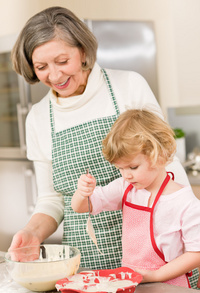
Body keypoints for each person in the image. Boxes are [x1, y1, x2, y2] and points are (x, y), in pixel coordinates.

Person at [9, 6, 190, 272]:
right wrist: (33, 232)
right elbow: (52, 198)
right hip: (86, 262)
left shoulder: (128, 86)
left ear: (82, 51)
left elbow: (167, 163)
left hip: (156, 251)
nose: (55, 76)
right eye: (41, 67)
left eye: (62, 61)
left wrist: (188, 222)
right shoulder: (38, 118)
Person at [71, 109, 200, 288]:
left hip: (171, 289)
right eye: (120, 169)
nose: (126, 176)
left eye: (133, 167)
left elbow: (196, 254)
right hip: (132, 286)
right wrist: (82, 193)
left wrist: (154, 275)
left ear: (160, 156)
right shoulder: (125, 189)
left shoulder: (185, 204)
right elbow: (81, 207)